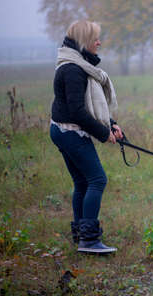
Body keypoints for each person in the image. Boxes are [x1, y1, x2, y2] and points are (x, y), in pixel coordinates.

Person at [49, 20, 123, 254]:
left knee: (82, 182)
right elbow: (77, 112)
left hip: (63, 129)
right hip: (69, 131)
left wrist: (111, 124)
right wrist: (103, 133)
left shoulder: (78, 65)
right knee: (97, 180)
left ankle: (81, 235)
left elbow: (89, 107)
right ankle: (89, 241)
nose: (99, 42)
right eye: (95, 39)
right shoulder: (72, 70)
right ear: (83, 42)